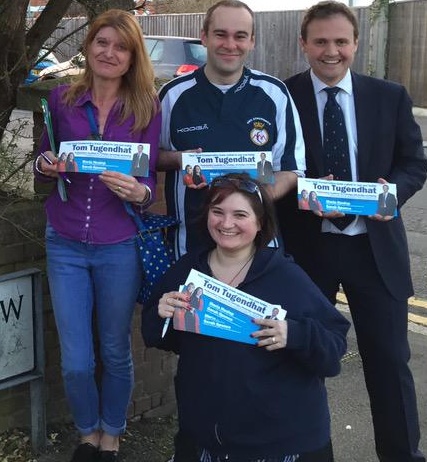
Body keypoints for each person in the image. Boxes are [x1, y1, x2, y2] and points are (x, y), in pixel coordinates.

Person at [278, 0, 427, 462]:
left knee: (389, 365)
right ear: (303, 44)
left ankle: (403, 457)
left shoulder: (390, 96)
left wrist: (393, 192)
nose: (331, 51)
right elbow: (273, 169)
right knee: (302, 364)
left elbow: (414, 164)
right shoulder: (281, 97)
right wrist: (304, 189)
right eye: (320, 41)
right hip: (308, 252)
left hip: (374, 249)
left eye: (341, 41)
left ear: (356, 44)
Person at [143, 175, 349, 462]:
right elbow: (155, 336)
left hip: (278, 443)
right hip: (206, 438)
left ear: (260, 222)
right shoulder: (188, 271)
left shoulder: (285, 277)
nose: (226, 224)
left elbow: (332, 351)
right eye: (218, 212)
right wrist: (161, 315)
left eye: (240, 215)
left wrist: (295, 335)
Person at [33, 9, 161, 462]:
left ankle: (112, 433)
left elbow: (149, 188)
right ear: (87, 47)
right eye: (101, 43)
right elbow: (42, 160)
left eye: (120, 46)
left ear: (132, 57)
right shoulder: (61, 101)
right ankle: (87, 434)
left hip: (118, 245)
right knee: (75, 359)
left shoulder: (146, 107)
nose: (109, 52)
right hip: (64, 241)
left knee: (114, 349)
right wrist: (45, 166)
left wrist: (139, 191)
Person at [158, 0, 305, 258]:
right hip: (188, 245)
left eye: (240, 36)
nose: (230, 44)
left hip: (258, 247)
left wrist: (254, 199)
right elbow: (150, 157)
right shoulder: (172, 95)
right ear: (204, 37)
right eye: (220, 34)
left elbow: (292, 169)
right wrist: (180, 159)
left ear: (252, 41)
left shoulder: (274, 93)